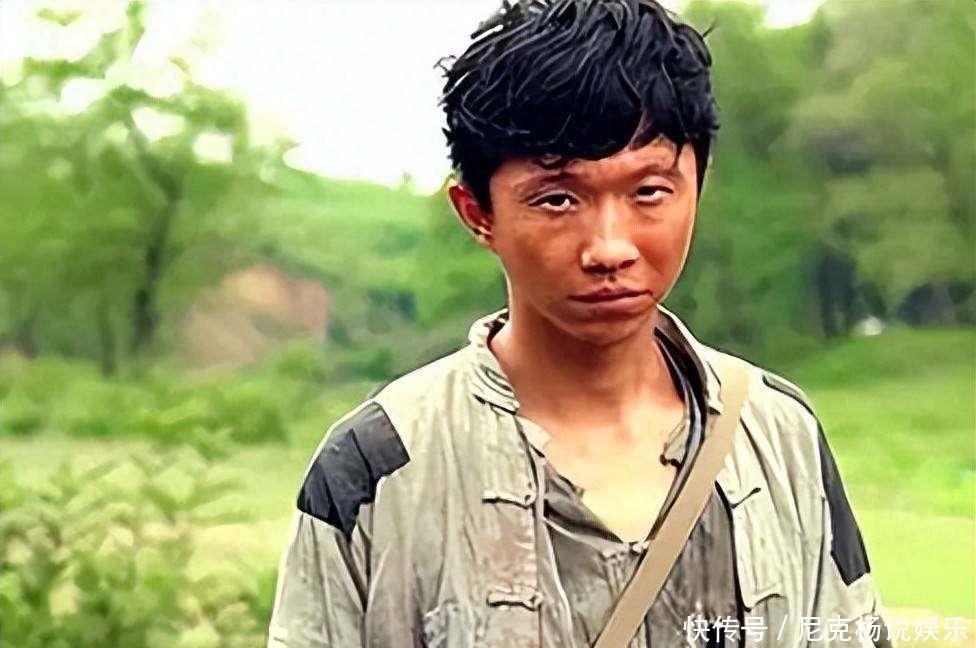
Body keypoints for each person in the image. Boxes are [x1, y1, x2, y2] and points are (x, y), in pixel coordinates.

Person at [267, 1, 895, 646]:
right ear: (477, 212)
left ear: (697, 185)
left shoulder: (778, 433)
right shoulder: (378, 465)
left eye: (649, 192)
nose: (610, 247)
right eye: (558, 199)